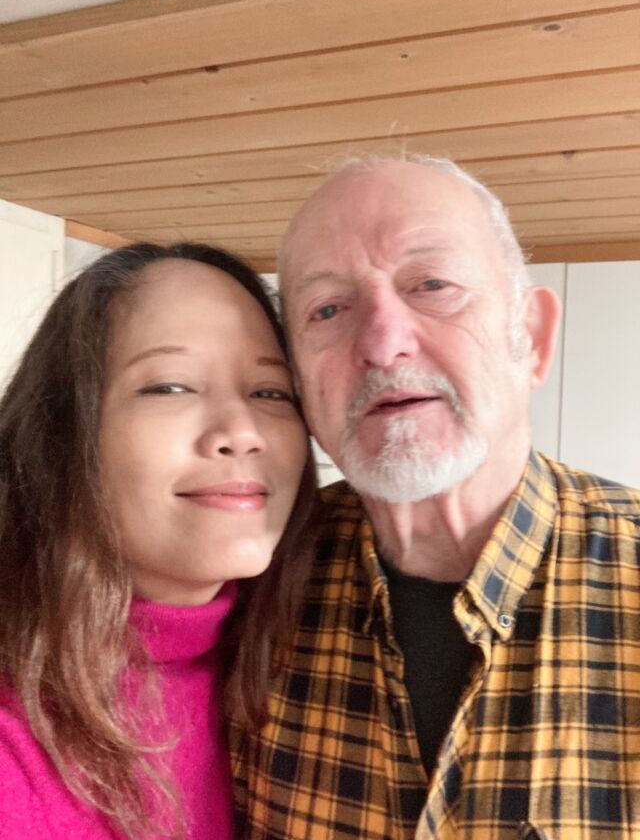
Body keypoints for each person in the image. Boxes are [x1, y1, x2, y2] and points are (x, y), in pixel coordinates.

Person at [230, 156, 640, 839]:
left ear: (532, 340)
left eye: (433, 285)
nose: (382, 343)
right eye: (328, 309)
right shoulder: (248, 583)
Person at [0, 242, 317, 839]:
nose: (242, 432)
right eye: (171, 387)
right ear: (62, 430)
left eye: (271, 392)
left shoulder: (304, 661)